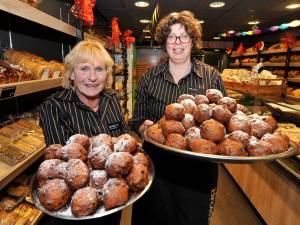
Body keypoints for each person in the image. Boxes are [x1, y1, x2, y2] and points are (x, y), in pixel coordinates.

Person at [131, 11, 226, 225]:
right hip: (157, 169)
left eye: (184, 36)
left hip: (198, 174)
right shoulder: (150, 77)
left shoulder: (211, 77)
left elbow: (223, 123)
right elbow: (137, 118)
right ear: (164, 42)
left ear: (193, 41)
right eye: (171, 36)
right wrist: (142, 127)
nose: (177, 42)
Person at [39, 39, 128, 225]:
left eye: (99, 69)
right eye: (84, 69)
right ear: (71, 73)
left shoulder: (111, 99)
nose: (93, 77)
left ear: (107, 74)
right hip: (76, 210)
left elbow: (122, 142)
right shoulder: (54, 106)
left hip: (110, 199)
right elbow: (60, 165)